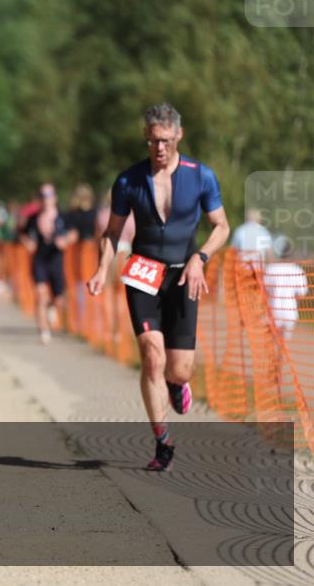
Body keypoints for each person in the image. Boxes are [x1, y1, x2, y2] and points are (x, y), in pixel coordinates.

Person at [87, 103, 229, 472]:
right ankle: (163, 441)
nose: (159, 148)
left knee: (179, 370)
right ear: (145, 138)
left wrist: (201, 257)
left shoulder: (201, 176)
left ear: (179, 135)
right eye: (152, 141)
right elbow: (113, 232)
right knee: (151, 354)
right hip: (143, 274)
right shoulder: (128, 180)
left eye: (165, 141)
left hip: (185, 275)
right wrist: (102, 269)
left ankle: (176, 383)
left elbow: (221, 227)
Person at [21, 183, 72, 344]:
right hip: (40, 260)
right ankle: (44, 331)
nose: (46, 199)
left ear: (54, 198)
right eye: (43, 196)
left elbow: (73, 232)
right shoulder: (34, 218)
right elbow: (21, 232)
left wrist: (65, 241)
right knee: (40, 293)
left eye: (49, 195)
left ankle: (51, 305)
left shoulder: (62, 216)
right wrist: (28, 242)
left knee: (59, 300)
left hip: (56, 260)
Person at [264, 236, 308, 341]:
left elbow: (264, 291)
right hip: (290, 312)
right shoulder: (298, 271)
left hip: (274, 311)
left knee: (274, 341)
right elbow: (301, 295)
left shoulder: (271, 269)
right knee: (283, 343)